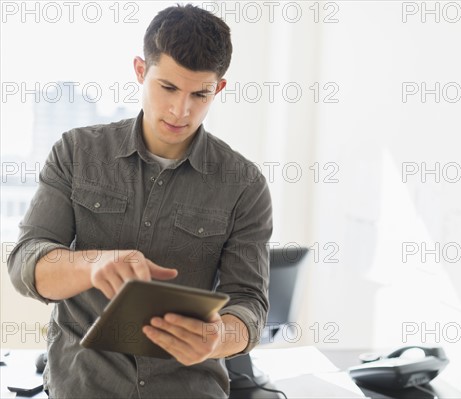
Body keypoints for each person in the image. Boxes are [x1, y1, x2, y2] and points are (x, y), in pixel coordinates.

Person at [7, 4, 272, 398]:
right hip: (83, 387)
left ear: (218, 89)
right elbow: (26, 262)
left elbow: (249, 302)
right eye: (168, 87)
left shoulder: (245, 185)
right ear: (139, 71)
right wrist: (92, 263)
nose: (181, 110)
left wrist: (220, 337)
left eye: (199, 94)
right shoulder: (76, 152)